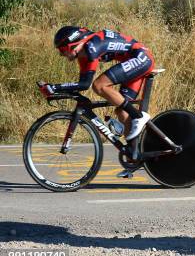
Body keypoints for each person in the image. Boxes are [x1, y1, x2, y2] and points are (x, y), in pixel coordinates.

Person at [40, 26, 155, 174]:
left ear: (72, 44)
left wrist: (55, 87)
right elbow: (82, 85)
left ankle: (138, 116)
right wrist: (56, 89)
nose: (62, 55)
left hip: (141, 58)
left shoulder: (91, 46)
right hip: (135, 60)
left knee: (99, 85)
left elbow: (88, 85)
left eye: (62, 51)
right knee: (121, 110)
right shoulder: (84, 54)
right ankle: (134, 157)